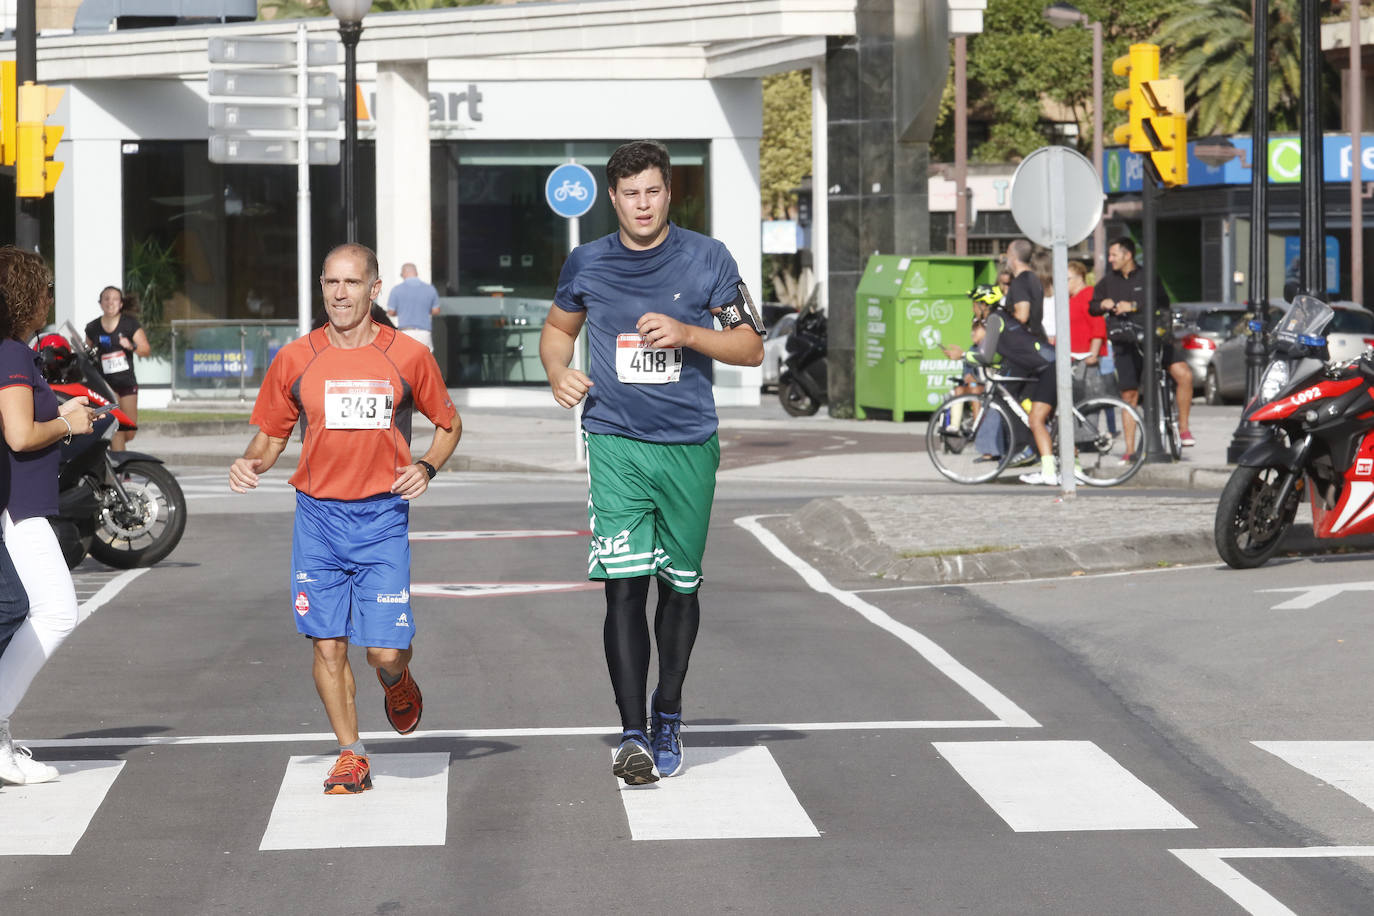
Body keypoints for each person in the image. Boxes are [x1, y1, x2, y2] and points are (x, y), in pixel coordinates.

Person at [538, 140, 764, 785]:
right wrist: (559, 372)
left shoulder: (707, 258)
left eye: (654, 191)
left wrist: (690, 333)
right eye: (631, 193)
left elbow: (750, 348)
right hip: (614, 441)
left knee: (679, 587)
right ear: (613, 198)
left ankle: (669, 709)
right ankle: (634, 732)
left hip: (689, 442)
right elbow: (558, 331)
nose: (643, 204)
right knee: (624, 584)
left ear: (670, 194)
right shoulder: (587, 262)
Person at [228, 243, 461, 795]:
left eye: (351, 283)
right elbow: (271, 435)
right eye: (330, 283)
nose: (339, 294)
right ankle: (351, 754)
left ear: (373, 290)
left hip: (381, 518)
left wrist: (427, 466)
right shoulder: (296, 358)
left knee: (381, 650)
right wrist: (250, 461)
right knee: (327, 643)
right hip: (317, 519)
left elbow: (448, 425)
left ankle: (396, 679)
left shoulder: (406, 355)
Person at [0, 246, 97, 784]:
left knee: (41, 612)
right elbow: (18, 434)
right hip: (20, 507)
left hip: (22, 503)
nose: (49, 299)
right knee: (57, 611)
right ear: (24, 294)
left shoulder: (16, 352)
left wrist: (58, 409)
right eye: (44, 288)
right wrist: (67, 425)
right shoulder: (12, 352)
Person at [943, 240, 1058, 485]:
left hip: (1040, 361)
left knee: (1033, 416)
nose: (973, 309)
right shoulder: (1029, 284)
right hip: (1036, 358)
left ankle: (1044, 462)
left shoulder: (1000, 316)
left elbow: (988, 354)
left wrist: (962, 355)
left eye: (975, 303)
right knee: (1026, 407)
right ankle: (1040, 453)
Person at [1089, 236, 1195, 451]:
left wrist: (1134, 306)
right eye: (1109, 255)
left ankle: (1183, 428)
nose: (1110, 259)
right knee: (1129, 395)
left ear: (1128, 255)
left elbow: (1162, 302)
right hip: (1125, 343)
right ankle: (1130, 451)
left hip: (1154, 339)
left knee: (1184, 374)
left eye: (1114, 255)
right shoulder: (1108, 281)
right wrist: (1102, 304)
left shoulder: (1148, 276)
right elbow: (1092, 306)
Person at [84, 286, 149, 451]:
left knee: (129, 430)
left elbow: (145, 350)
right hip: (105, 385)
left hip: (126, 383)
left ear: (120, 304)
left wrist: (131, 346)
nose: (110, 302)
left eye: (114, 299)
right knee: (116, 424)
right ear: (100, 303)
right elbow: (85, 352)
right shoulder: (93, 328)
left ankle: (117, 456)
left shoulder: (130, 324)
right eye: (106, 298)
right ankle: (120, 469)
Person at [386, 263, 441, 352]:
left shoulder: (397, 289)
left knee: (406, 362)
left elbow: (391, 312)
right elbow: (436, 310)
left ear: (403, 273)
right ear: (416, 273)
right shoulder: (430, 289)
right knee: (425, 363)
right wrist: (423, 309)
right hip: (424, 333)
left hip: (406, 332)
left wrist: (401, 311)